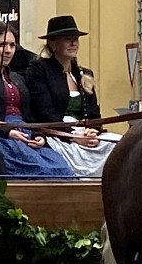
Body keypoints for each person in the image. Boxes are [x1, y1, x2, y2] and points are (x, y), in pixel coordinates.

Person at [0, 21, 73, 179]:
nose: (8, 50)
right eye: (2, 45)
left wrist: (38, 136)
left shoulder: (18, 78)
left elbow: (30, 115)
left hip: (26, 134)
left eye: (12, 45)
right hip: (0, 137)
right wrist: (7, 131)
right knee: (42, 171)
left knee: (63, 169)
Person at [23, 15, 117, 178]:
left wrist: (93, 131)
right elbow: (44, 112)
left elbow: (94, 114)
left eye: (76, 39)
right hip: (58, 134)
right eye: (67, 39)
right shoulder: (39, 69)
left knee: (119, 145)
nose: (74, 43)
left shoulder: (84, 74)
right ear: (53, 43)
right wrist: (73, 136)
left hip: (84, 134)